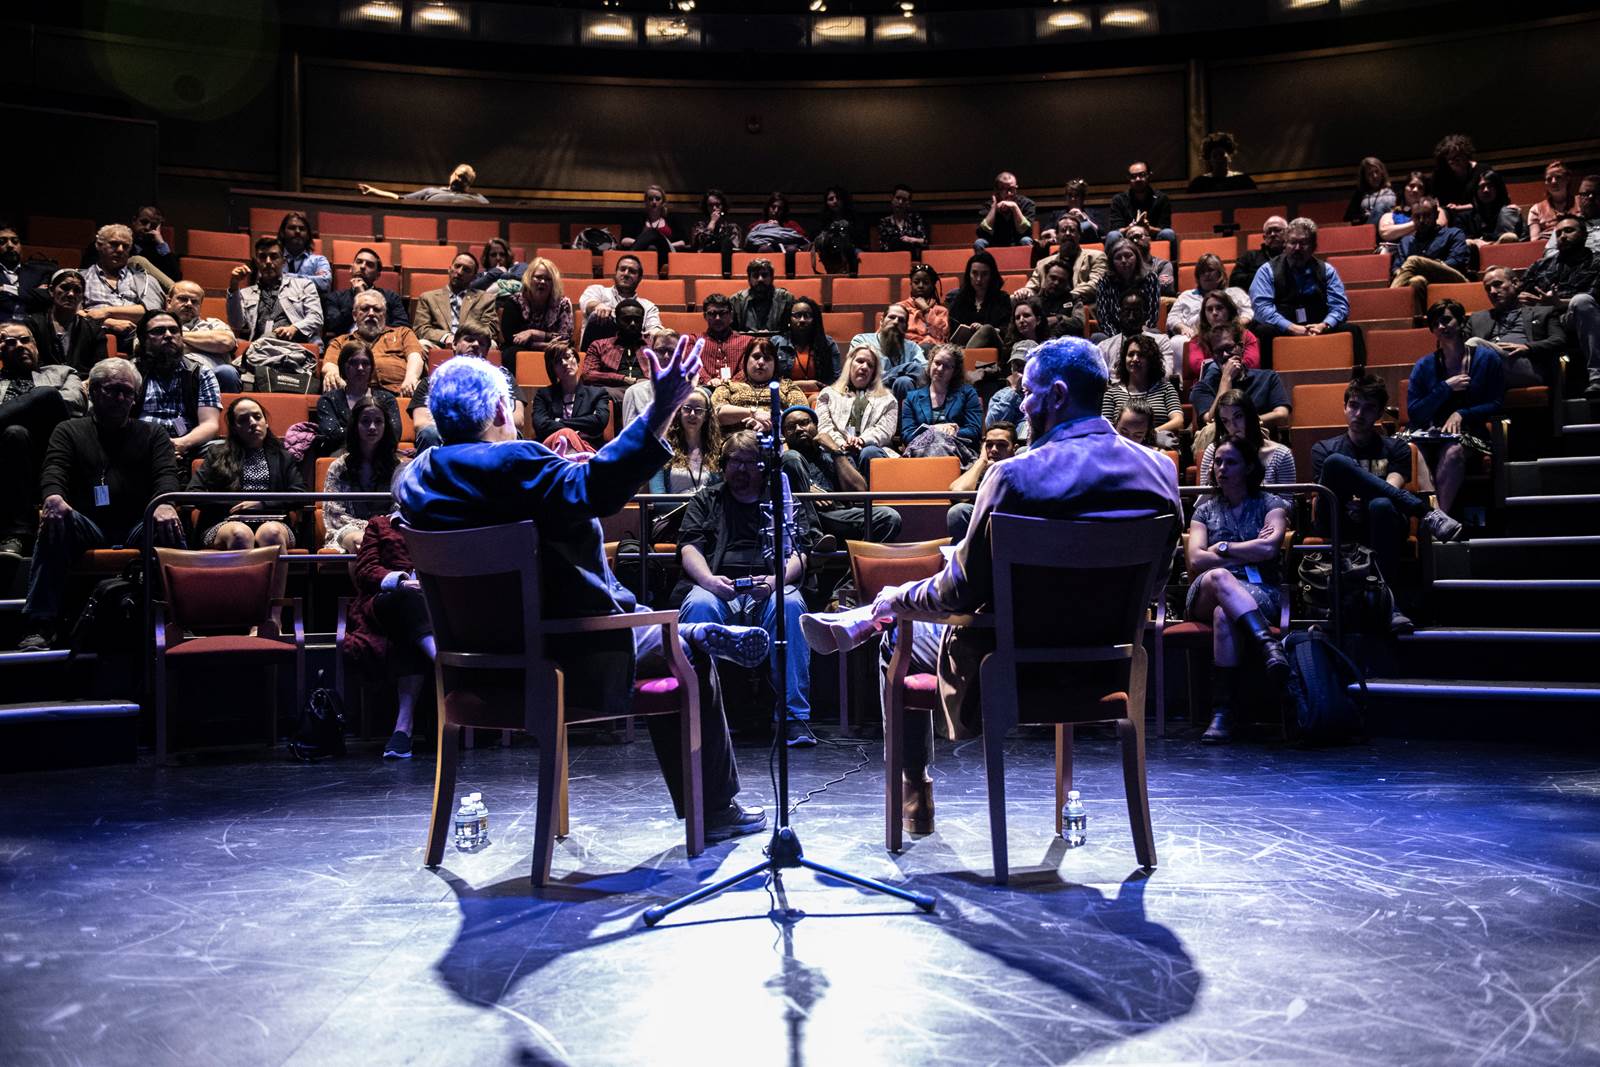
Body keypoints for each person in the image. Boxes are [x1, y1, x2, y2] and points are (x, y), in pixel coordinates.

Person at [393, 344, 772, 839]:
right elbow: (598, 487)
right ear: (502, 410)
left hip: (475, 672)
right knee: (684, 655)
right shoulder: (519, 463)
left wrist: (552, 476)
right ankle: (716, 809)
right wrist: (661, 409)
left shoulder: (417, 478)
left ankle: (685, 628)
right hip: (574, 658)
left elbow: (519, 492)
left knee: (665, 627)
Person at [842, 337, 1181, 832]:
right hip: (1107, 670)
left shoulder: (1011, 478)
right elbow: (1157, 584)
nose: (1022, 402)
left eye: (1030, 391)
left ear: (1058, 395)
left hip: (1009, 673)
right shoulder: (1159, 472)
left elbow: (957, 593)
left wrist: (896, 598)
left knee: (898, 630)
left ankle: (914, 792)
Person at [16, 357, 185, 651]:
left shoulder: (153, 433)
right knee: (56, 517)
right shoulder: (68, 430)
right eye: (112, 390)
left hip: (137, 524)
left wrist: (165, 502)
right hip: (88, 525)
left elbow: (166, 475)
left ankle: (182, 617)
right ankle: (40, 624)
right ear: (93, 392)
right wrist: (53, 496)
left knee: (167, 522)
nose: (121, 398)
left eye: (127, 392)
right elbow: (54, 468)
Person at [677, 429, 819, 747]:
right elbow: (689, 548)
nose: (740, 470)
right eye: (734, 462)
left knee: (792, 606)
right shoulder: (706, 498)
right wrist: (709, 581)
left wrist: (775, 582)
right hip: (717, 586)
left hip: (768, 585)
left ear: (763, 466)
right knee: (698, 606)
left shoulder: (781, 500)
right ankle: (702, 717)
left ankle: (794, 719)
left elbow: (801, 551)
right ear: (724, 465)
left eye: (749, 462)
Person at [1311, 375, 1464, 630]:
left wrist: (1363, 501)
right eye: (1354, 405)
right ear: (1345, 407)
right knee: (1335, 463)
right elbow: (1329, 493)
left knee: (1380, 505)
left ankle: (1390, 602)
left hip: (1381, 520)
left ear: (1380, 412)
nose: (1359, 414)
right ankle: (1425, 512)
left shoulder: (1396, 448)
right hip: (1337, 518)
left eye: (1369, 407)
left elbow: (1391, 487)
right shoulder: (1323, 448)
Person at [1186, 435, 1292, 743]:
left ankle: (1222, 713)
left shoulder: (1271, 504)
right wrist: (1246, 548)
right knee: (1219, 577)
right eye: (1218, 461)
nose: (1221, 468)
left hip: (1260, 591)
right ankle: (1268, 646)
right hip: (1206, 589)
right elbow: (1195, 558)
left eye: (1230, 462)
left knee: (1223, 615)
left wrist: (1221, 547)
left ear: (1248, 467)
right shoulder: (1204, 510)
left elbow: (1269, 550)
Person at [342, 513, 435, 759]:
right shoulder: (380, 525)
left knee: (408, 630)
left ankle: (403, 728)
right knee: (406, 601)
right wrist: (402, 580)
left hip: (431, 605)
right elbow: (366, 570)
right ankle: (442, 659)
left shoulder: (440, 520)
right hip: (387, 601)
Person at [1407, 299, 1505, 515]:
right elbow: (1415, 412)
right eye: (1435, 324)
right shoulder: (1424, 365)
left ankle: (1437, 518)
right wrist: (1445, 388)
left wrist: (1462, 414)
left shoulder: (1486, 359)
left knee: (1453, 452)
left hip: (1474, 436)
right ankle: (1436, 518)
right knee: (1413, 452)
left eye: (1446, 320)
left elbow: (1498, 403)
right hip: (1432, 435)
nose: (1441, 327)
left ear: (1461, 321)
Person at [0, 321, 87, 557]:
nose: (19, 346)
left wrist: (32, 401)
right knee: (15, 433)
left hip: (53, 450)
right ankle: (16, 534)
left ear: (36, 345)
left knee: (46, 394)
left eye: (24, 340)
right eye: (9, 342)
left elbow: (75, 403)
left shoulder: (62, 372)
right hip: (8, 455)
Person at [191, 396, 303, 550]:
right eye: (243, 420)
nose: (252, 423)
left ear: (266, 422)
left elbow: (299, 494)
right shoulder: (216, 454)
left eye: (257, 417)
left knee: (272, 533)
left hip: (274, 521)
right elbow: (193, 492)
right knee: (240, 534)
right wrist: (237, 506)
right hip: (225, 522)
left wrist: (262, 504)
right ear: (234, 428)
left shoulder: (283, 457)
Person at [780, 405, 901, 544]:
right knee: (791, 457)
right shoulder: (784, 461)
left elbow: (859, 492)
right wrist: (807, 487)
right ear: (784, 434)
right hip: (800, 518)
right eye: (790, 427)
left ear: (816, 426)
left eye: (804, 423)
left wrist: (836, 450)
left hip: (836, 515)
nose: (799, 429)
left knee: (890, 517)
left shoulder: (835, 455)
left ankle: (856, 564)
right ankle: (814, 539)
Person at [1248, 217, 1356, 362]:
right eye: (1293, 242)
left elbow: (1340, 306)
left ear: (1314, 246)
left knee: (1353, 330)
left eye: (1303, 243)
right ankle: (1269, 381)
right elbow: (1262, 309)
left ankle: (1359, 383)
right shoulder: (1267, 271)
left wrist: (1324, 325)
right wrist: (1291, 327)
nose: (1297, 248)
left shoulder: (1327, 270)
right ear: (1285, 244)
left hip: (1319, 327)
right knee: (1263, 331)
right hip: (1283, 328)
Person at [131, 308, 222, 470]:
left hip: (187, 443)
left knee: (223, 451)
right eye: (158, 331)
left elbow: (210, 424)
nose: (168, 335)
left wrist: (181, 443)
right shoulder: (130, 372)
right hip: (140, 443)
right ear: (143, 339)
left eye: (174, 330)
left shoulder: (199, 372)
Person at [1520, 213, 1600, 396]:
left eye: (1569, 230)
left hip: (1574, 317)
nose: (1563, 236)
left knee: (1582, 301)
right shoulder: (1541, 265)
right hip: (1544, 320)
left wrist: (1557, 303)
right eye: (1559, 233)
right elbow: (1523, 294)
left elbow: (1594, 298)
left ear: (1585, 234)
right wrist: (1537, 302)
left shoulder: (1597, 262)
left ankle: (1597, 376)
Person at [408, 327, 523, 451]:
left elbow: (518, 419)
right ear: (454, 344)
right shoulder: (432, 381)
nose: (475, 344)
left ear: (487, 350)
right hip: (448, 437)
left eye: (482, 343)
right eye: (469, 340)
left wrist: (477, 430)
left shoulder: (503, 378)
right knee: (429, 433)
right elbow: (421, 422)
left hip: (488, 435)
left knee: (515, 433)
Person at [322, 395, 403, 553]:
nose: (372, 427)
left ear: (386, 426)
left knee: (389, 541)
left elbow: (400, 509)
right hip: (347, 531)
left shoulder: (397, 467)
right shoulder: (338, 467)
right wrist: (370, 529)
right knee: (362, 541)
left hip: (388, 530)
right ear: (355, 426)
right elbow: (334, 514)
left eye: (378, 421)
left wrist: (380, 528)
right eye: (365, 421)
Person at [1468, 266, 1569, 389]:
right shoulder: (1477, 318)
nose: (1492, 292)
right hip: (1488, 366)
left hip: (1526, 366)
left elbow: (1559, 340)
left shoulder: (1543, 312)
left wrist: (1528, 347)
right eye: (1488, 289)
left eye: (1497, 284)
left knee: (1474, 343)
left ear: (1515, 283)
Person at [814, 343, 899, 478]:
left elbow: (885, 430)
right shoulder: (828, 394)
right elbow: (824, 427)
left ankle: (874, 499)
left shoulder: (888, 400)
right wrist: (842, 445)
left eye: (870, 365)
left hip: (871, 448)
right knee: (834, 456)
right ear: (849, 364)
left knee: (869, 453)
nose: (864, 367)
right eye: (860, 361)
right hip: (835, 448)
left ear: (874, 373)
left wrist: (861, 441)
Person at [322, 290, 424, 397]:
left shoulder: (403, 333)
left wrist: (411, 377)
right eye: (365, 309)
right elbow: (329, 364)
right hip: (355, 397)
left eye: (377, 309)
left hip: (399, 394)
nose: (371, 313)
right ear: (354, 315)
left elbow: (415, 357)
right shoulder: (341, 341)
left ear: (384, 315)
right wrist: (333, 374)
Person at [228, 236, 324, 350]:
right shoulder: (245, 294)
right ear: (256, 261)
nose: (268, 262)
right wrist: (234, 285)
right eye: (263, 257)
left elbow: (316, 317)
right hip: (259, 350)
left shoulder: (304, 285)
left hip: (296, 347)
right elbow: (236, 324)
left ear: (284, 261)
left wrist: (294, 328)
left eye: (274, 257)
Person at [1191, 321, 1291, 430]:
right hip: (1221, 444)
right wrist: (1226, 379)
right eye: (1218, 351)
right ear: (1213, 355)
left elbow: (1282, 415)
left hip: (1261, 441)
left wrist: (1243, 424)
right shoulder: (1202, 388)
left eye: (1229, 348)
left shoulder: (1268, 378)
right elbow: (1212, 422)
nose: (1224, 355)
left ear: (1241, 347)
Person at [313, 339, 402, 457]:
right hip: (343, 456)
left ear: (371, 368)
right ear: (343, 366)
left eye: (365, 363)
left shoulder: (386, 399)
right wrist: (372, 435)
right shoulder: (329, 400)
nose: (360, 368)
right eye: (353, 363)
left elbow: (394, 434)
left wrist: (350, 432)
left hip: (381, 456)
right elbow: (331, 436)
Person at [80, 224, 165, 343]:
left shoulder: (145, 279)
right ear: (99, 245)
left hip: (138, 338)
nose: (120, 250)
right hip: (92, 335)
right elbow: (73, 313)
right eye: (114, 244)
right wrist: (110, 323)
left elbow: (152, 313)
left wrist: (105, 312)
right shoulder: (81, 278)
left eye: (125, 246)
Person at [1196, 388, 1296, 487]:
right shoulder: (1213, 451)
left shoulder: (1281, 454)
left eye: (1238, 416)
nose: (1233, 426)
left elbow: (1286, 501)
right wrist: (1212, 482)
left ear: (1251, 416)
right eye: (1225, 421)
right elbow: (1203, 500)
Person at [900, 343, 982, 462]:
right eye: (937, 363)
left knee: (940, 445)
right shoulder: (912, 398)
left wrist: (950, 432)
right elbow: (907, 435)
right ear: (930, 363)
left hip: (958, 451)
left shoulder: (968, 393)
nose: (940, 369)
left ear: (955, 371)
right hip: (920, 451)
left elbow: (974, 430)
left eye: (947, 366)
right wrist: (936, 429)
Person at [710, 337, 806, 432]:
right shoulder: (728, 387)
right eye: (756, 357)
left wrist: (774, 420)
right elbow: (716, 413)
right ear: (746, 361)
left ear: (775, 364)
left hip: (779, 440)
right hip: (734, 442)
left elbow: (803, 415)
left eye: (767, 358)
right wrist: (754, 413)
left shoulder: (788, 387)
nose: (760, 362)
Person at [1101, 333, 1182, 446]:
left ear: (1151, 360)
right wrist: (1146, 437)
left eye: (1141, 355)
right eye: (1130, 354)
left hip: (1159, 448)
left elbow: (1178, 421)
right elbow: (1106, 429)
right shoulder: (1112, 394)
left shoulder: (1165, 388)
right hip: (1123, 447)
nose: (1135, 359)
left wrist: (1150, 435)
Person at [533, 340, 612, 454]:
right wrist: (576, 429)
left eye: (567, 357)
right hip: (553, 449)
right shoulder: (544, 395)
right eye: (557, 361)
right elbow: (540, 425)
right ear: (552, 369)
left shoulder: (598, 394)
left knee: (567, 434)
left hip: (586, 447)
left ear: (577, 360)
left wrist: (558, 421)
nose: (564, 363)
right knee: (565, 434)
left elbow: (599, 421)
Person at [944, 420, 1016, 540]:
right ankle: (967, 558)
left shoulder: (1021, 467)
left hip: (1013, 523)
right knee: (958, 511)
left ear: (1014, 448)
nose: (993, 449)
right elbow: (958, 494)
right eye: (989, 445)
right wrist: (981, 461)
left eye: (1001, 445)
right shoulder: (977, 468)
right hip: (983, 526)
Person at [499, 257, 574, 372]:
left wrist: (534, 333)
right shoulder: (514, 302)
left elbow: (565, 337)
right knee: (511, 352)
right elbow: (512, 338)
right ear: (529, 278)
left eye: (548, 279)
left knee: (565, 353)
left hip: (555, 350)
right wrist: (543, 345)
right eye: (538, 277)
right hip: (521, 350)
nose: (543, 282)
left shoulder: (563, 304)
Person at [1390, 196, 1471, 301]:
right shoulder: (1405, 242)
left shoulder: (1454, 233)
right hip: (1419, 282)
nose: (1422, 220)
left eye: (1427, 215)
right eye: (1417, 216)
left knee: (1413, 260)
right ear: (1411, 218)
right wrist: (1402, 272)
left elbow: (1457, 261)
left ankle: (1389, 301)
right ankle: (1416, 316)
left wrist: (1424, 267)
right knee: (1416, 281)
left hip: (1453, 280)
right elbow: (1396, 268)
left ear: (1436, 215)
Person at [413, 252, 498, 351]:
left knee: (492, 345)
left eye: (466, 270)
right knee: (421, 344)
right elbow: (421, 328)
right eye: (457, 266)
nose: (460, 272)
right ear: (450, 269)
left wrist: (466, 339)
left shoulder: (485, 299)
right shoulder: (428, 297)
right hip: (440, 344)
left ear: (474, 277)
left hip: (473, 343)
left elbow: (490, 328)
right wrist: (446, 337)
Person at [165, 280, 240, 392]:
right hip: (170, 378)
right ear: (169, 302)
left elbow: (225, 342)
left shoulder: (213, 324)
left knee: (227, 372)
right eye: (183, 299)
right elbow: (145, 348)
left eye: (194, 301)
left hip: (212, 379)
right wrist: (207, 346)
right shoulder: (155, 323)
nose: (189, 304)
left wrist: (177, 337)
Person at [27, 270, 106, 374]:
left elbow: (100, 367)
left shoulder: (94, 330)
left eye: (77, 290)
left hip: (81, 384)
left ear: (82, 296)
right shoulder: (33, 324)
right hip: (43, 382)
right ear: (51, 290)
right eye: (65, 288)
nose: (71, 294)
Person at [1015, 217, 1105, 306]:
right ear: (1057, 236)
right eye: (1063, 230)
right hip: (1048, 308)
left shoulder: (1095, 257)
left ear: (1079, 235)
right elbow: (1032, 287)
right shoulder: (1042, 263)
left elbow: (1096, 284)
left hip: (1080, 307)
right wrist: (1025, 291)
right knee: (1014, 299)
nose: (1068, 233)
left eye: (1072, 230)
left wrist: (1066, 298)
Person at [647, 387, 721, 494]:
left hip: (706, 511)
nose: (692, 414)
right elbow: (658, 499)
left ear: (706, 416)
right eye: (687, 408)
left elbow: (719, 496)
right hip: (674, 510)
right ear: (679, 412)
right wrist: (692, 507)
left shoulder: (716, 450)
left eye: (698, 410)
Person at [322, 247, 408, 337]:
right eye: (359, 262)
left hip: (382, 344)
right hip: (347, 345)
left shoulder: (391, 297)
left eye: (369, 265)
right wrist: (358, 298)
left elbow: (403, 327)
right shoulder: (335, 297)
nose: (362, 267)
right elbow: (333, 325)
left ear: (378, 275)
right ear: (351, 268)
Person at [577, 254, 661, 345]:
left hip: (631, 353)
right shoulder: (598, 291)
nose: (626, 274)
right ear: (616, 273)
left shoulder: (648, 306)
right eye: (622, 269)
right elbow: (587, 303)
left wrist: (657, 332)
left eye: (632, 271)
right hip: (596, 352)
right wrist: (598, 306)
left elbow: (654, 327)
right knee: (596, 316)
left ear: (640, 278)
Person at [1095, 290, 1178, 380]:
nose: (1131, 317)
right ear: (1119, 315)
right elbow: (1098, 380)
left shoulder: (1161, 342)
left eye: (1136, 312)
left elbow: (1166, 375)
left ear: (1145, 316)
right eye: (1127, 311)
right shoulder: (1104, 347)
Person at [1168, 253, 1252, 340]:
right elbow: (1172, 317)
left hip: (1228, 335)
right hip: (1192, 336)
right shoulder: (1186, 296)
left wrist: (1233, 327)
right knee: (1176, 341)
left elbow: (1248, 313)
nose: (1206, 274)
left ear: (1220, 273)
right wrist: (1182, 327)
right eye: (1202, 271)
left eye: (1211, 270)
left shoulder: (1235, 293)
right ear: (1198, 276)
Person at [1094, 238, 1162, 342]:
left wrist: (1139, 336)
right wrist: (1118, 339)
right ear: (1112, 262)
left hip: (1143, 330)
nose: (1124, 261)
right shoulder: (1105, 281)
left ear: (1137, 258)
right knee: (1097, 337)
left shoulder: (1150, 278)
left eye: (1128, 256)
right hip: (1115, 333)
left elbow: (1152, 315)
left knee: (1155, 333)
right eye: (1118, 258)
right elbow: (1104, 319)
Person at [945, 251, 1010, 351]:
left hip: (993, 348)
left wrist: (984, 330)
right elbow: (953, 332)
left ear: (992, 275)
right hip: (962, 348)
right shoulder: (959, 299)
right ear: (968, 274)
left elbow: (1007, 330)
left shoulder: (1002, 298)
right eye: (974, 273)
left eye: (984, 274)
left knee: (987, 329)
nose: (979, 279)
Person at [772, 295, 838, 391]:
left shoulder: (828, 344)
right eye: (797, 315)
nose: (802, 320)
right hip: (786, 394)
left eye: (807, 316)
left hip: (820, 396)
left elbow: (837, 379)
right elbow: (770, 380)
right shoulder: (776, 343)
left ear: (814, 319)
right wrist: (801, 385)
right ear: (789, 319)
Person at [1106, 161, 1175, 245]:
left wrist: (1148, 228)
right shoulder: (1119, 200)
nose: (1138, 179)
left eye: (1142, 175)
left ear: (1149, 175)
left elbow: (1164, 227)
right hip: (1126, 239)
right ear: (1128, 179)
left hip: (1152, 237)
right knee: (1113, 235)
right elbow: (1116, 229)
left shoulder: (1161, 198)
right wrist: (1131, 228)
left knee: (1168, 233)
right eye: (1133, 176)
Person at [691, 293, 752, 384]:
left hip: (737, 389)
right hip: (703, 388)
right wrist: (708, 381)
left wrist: (731, 383)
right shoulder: (694, 340)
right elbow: (693, 364)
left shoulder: (747, 342)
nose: (718, 318)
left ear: (731, 315)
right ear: (705, 316)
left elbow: (746, 369)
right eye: (712, 313)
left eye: (723, 313)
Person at [1378, 171, 1448, 251]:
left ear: (1424, 192)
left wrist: (1398, 232)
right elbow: (1385, 233)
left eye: (1420, 187)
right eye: (1411, 186)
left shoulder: (1437, 210)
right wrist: (1419, 223)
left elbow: (1438, 227)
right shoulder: (1390, 215)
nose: (1415, 190)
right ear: (1404, 188)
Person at [617, 183, 684, 265]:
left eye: (658, 198)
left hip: (666, 253)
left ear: (663, 201)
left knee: (653, 232)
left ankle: (626, 262)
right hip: (642, 253)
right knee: (651, 237)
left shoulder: (671, 219)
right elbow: (624, 240)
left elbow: (682, 242)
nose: (654, 202)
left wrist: (664, 244)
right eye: (650, 199)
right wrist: (645, 243)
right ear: (646, 201)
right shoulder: (637, 220)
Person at [358, 162, 489, 204]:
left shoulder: (478, 198)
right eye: (459, 176)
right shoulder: (431, 191)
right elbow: (400, 199)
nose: (460, 180)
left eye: (465, 179)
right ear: (452, 175)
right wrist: (374, 191)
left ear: (469, 184)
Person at [1459, 169, 1527, 245]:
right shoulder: (1465, 218)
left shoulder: (1509, 213)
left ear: (1498, 188)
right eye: (1481, 186)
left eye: (1490, 186)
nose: (1486, 190)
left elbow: (1520, 240)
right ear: (1476, 190)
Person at [0, 225, 54, 320]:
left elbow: (47, 296)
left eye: (15, 241)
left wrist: (5, 288)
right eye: (2, 242)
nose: (10, 245)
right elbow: (38, 297)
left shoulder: (38, 272)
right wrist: (33, 294)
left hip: (31, 329)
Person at [974, 171, 1036, 252]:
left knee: (1026, 240)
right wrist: (994, 209)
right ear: (997, 190)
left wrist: (1015, 207)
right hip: (994, 242)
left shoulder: (1027, 204)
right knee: (979, 243)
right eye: (1004, 189)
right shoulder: (987, 206)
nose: (1009, 193)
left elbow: (1026, 231)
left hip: (1018, 242)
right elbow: (982, 233)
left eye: (1012, 189)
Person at [728, 258, 793, 333]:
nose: (760, 279)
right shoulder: (736, 300)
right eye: (755, 276)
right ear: (749, 279)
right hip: (745, 342)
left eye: (764, 275)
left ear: (772, 278)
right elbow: (730, 331)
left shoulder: (785, 298)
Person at [896, 265, 949, 351]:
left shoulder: (941, 311)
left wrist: (926, 310)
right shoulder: (899, 307)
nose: (920, 285)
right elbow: (884, 334)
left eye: (926, 282)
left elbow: (941, 335)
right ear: (911, 284)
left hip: (931, 351)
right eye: (916, 282)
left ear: (932, 285)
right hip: (905, 349)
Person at [1431, 134, 1481, 224]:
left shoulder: (1481, 171)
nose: (1453, 162)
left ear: (1466, 155)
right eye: (1450, 159)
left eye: (1457, 158)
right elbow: (1435, 198)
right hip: (1448, 216)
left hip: (1477, 214)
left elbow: (1486, 203)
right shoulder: (1440, 174)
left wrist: (1459, 208)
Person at [812, 186, 862, 274]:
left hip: (850, 252)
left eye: (838, 198)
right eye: (831, 199)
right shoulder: (822, 220)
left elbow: (859, 239)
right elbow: (817, 239)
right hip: (827, 252)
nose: (835, 201)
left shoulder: (853, 218)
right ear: (826, 202)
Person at [1229, 216, 1287, 291]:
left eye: (1277, 230)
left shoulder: (1293, 256)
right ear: (1264, 237)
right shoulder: (1249, 256)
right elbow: (1234, 281)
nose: (1272, 234)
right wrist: (1264, 276)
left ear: (1287, 233)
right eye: (1269, 232)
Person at [278, 211, 331, 295]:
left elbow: (324, 283)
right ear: (282, 233)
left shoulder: (319, 261)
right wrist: (312, 279)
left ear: (308, 235)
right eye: (292, 228)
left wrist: (284, 277)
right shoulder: (272, 259)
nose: (297, 231)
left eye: (302, 229)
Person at [1038, 179, 1102, 246]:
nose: (1073, 199)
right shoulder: (1057, 214)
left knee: (1086, 226)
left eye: (1076, 196)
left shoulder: (1092, 213)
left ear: (1082, 198)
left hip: (1087, 248)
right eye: (1070, 195)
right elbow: (1043, 234)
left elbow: (1101, 232)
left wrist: (1085, 219)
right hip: (1061, 248)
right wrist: (1050, 231)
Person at [1188, 131, 1256, 193]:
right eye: (1215, 156)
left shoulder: (1242, 181)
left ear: (1229, 157)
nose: (1218, 159)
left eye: (1221, 155)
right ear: (1210, 160)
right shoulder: (1199, 184)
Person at [1122, 223, 1176, 297]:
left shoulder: (1163, 264)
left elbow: (1165, 289)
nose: (1135, 240)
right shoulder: (1123, 265)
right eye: (1131, 239)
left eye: (1138, 236)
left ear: (1149, 239)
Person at [1527, 161, 1574, 243]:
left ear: (1567, 179)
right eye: (1549, 179)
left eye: (1558, 177)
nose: (1553, 181)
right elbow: (1534, 241)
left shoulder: (1581, 202)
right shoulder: (1536, 209)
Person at [876, 183, 928, 255]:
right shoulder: (885, 222)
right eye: (898, 198)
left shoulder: (915, 219)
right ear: (892, 199)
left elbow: (924, 241)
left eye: (904, 200)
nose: (900, 202)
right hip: (891, 260)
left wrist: (911, 240)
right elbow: (883, 246)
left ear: (909, 203)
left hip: (912, 260)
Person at [687, 188, 742, 254]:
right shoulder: (699, 226)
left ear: (723, 206)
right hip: (704, 259)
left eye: (717, 205)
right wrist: (712, 222)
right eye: (710, 205)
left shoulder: (732, 228)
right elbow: (701, 243)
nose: (714, 208)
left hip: (725, 261)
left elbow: (734, 248)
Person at [1345, 157, 1397, 226]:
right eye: (1370, 174)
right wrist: (1365, 216)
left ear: (1382, 172)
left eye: (1376, 171)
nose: (1374, 176)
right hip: (1369, 228)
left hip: (1391, 226)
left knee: (1381, 206)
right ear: (1364, 177)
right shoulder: (1360, 193)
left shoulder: (1394, 189)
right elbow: (1349, 218)